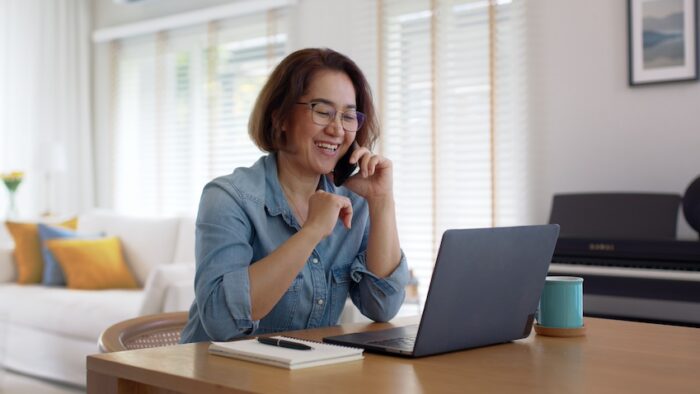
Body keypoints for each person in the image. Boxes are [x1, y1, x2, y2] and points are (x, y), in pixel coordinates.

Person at [180, 48, 409, 343]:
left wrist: (382, 201)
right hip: (217, 380)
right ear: (281, 118)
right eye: (323, 111)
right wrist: (312, 231)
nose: (337, 129)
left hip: (303, 376)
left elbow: (382, 306)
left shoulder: (354, 202)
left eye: (348, 116)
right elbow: (221, 322)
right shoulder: (228, 197)